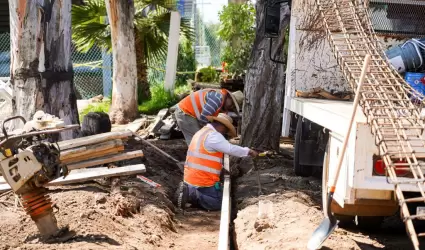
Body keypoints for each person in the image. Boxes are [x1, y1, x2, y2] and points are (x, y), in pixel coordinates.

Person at [175, 113, 259, 211]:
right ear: (222, 127)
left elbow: (205, 158)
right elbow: (230, 149)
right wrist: (248, 151)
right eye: (226, 131)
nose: (224, 134)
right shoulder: (213, 136)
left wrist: (221, 169)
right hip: (202, 182)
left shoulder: (201, 132)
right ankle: (191, 195)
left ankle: (189, 191)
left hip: (191, 179)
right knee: (220, 203)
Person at [173, 88, 242, 145]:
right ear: (229, 97)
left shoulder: (219, 99)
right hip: (185, 112)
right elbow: (204, 118)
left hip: (188, 113)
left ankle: (194, 159)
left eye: (233, 107)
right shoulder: (217, 99)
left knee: (199, 140)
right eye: (232, 104)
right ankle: (194, 160)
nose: (231, 107)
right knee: (197, 142)